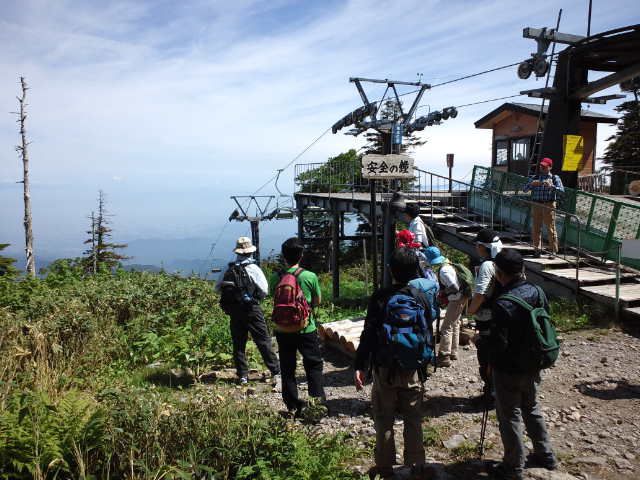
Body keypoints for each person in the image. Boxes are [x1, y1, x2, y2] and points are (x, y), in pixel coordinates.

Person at [354, 247, 434, 479]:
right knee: (413, 417)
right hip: (412, 368)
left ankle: (385, 467)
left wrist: (360, 365)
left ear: (391, 270)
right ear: (415, 271)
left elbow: (368, 334)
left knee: (383, 417)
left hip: (384, 367)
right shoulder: (420, 297)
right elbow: (428, 331)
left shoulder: (381, 297)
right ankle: (417, 465)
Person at [488, 249, 557, 480]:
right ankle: (545, 454)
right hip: (534, 362)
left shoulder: (503, 303)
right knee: (532, 407)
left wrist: (485, 350)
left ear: (499, 273)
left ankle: (514, 466)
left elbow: (499, 344)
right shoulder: (537, 291)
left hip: (509, 368)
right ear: (522, 270)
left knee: (510, 416)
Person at [272, 237, 325, 417]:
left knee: (287, 367)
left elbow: (274, 298)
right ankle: (317, 404)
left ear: (283, 256)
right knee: (314, 365)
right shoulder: (309, 276)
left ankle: (293, 405)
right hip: (305, 328)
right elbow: (317, 301)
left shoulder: (276, 276)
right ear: (301, 255)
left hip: (282, 329)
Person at [217, 237, 280, 385]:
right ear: (250, 252)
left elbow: (217, 288)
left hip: (234, 311)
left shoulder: (229, 268)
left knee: (238, 343)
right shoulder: (253, 268)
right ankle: (276, 370)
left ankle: (243, 375)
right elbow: (264, 290)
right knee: (263, 340)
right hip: (251, 309)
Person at [467, 229, 503, 406]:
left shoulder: (487, 265)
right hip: (500, 315)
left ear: (483, 247)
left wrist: (471, 310)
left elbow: (480, 293)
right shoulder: (503, 261)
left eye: (477, 245)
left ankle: (491, 395)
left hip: (487, 316)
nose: (476, 247)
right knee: (496, 354)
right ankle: (496, 393)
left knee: (486, 357)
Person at [425, 246, 468, 367]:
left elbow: (454, 287)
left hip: (455, 299)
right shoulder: (448, 265)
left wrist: (443, 294)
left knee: (446, 327)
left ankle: (444, 357)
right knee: (455, 324)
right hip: (461, 298)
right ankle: (454, 352)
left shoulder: (444, 270)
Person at [522, 158, 564, 256]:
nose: (542, 168)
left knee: (550, 228)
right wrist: (531, 184)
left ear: (550, 167)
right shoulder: (535, 177)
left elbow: (561, 191)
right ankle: (537, 250)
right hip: (536, 204)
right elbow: (524, 190)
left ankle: (553, 251)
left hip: (549, 204)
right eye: (541, 166)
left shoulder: (555, 178)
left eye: (545, 166)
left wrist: (552, 187)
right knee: (536, 228)